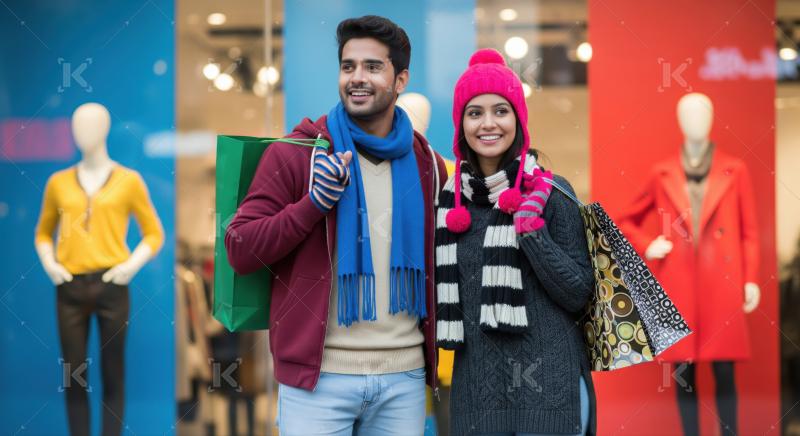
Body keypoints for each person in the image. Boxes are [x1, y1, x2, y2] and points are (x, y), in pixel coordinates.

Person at [224, 15, 447, 436]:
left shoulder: (428, 165)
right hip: (318, 383)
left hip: (404, 379)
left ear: (401, 80)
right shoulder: (296, 155)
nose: (357, 78)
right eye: (348, 67)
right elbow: (240, 248)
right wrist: (313, 204)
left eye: (372, 67)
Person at [434, 48, 597, 436]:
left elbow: (578, 292)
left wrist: (530, 230)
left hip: (550, 391)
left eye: (501, 111)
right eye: (475, 113)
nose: (488, 124)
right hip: (478, 393)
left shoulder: (551, 192)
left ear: (518, 120)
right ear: (461, 125)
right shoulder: (447, 202)